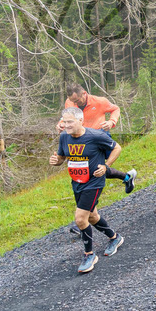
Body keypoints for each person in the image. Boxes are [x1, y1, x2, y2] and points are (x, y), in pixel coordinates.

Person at [50, 107, 125, 273]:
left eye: (70, 121)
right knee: (92, 216)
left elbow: (117, 148)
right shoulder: (64, 137)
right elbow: (62, 157)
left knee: (80, 219)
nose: (66, 125)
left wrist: (106, 166)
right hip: (77, 182)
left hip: (94, 182)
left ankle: (89, 254)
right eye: (64, 121)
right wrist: (57, 160)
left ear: (80, 121)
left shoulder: (95, 136)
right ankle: (115, 238)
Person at [59, 84, 134, 236]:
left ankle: (84, 217)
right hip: (80, 140)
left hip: (99, 138)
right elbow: (66, 118)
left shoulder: (100, 101)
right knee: (94, 171)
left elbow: (116, 109)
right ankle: (127, 177)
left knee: (98, 170)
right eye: (72, 101)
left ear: (84, 94)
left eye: (77, 100)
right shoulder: (70, 102)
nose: (76, 103)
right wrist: (62, 125)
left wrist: (111, 122)